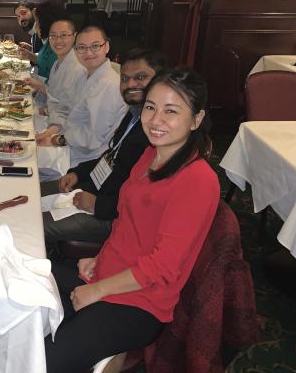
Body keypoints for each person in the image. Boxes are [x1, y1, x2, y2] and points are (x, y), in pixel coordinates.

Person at [44, 66, 220, 372]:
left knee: (39, 360)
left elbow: (163, 265)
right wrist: (97, 256)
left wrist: (97, 290)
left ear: (197, 119)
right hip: (106, 273)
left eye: (171, 111)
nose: (156, 120)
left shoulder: (197, 180)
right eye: (151, 107)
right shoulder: (150, 155)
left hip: (139, 302)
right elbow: (128, 222)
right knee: (22, 287)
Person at [41, 48, 166, 253]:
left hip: (112, 217)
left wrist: (99, 205)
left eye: (141, 77)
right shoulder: (136, 115)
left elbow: (146, 200)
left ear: (160, 80)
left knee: (35, 223)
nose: (131, 84)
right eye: (125, 78)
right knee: (31, 193)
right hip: (96, 188)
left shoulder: (157, 133)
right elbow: (112, 156)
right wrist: (77, 173)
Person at [37, 26, 126, 178]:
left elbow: (93, 137)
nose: (88, 52)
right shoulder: (89, 75)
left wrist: (58, 139)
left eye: (95, 46)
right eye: (82, 48)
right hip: (74, 144)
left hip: (87, 159)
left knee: (27, 160)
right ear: (76, 51)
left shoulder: (108, 84)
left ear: (107, 46)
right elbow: (71, 110)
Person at [28, 19, 86, 139]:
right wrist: (46, 107)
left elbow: (71, 114)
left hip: (65, 134)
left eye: (63, 35)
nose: (58, 41)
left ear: (75, 36)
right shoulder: (57, 64)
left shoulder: (79, 69)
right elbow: (57, 95)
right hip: (52, 119)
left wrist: (47, 134)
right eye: (53, 36)